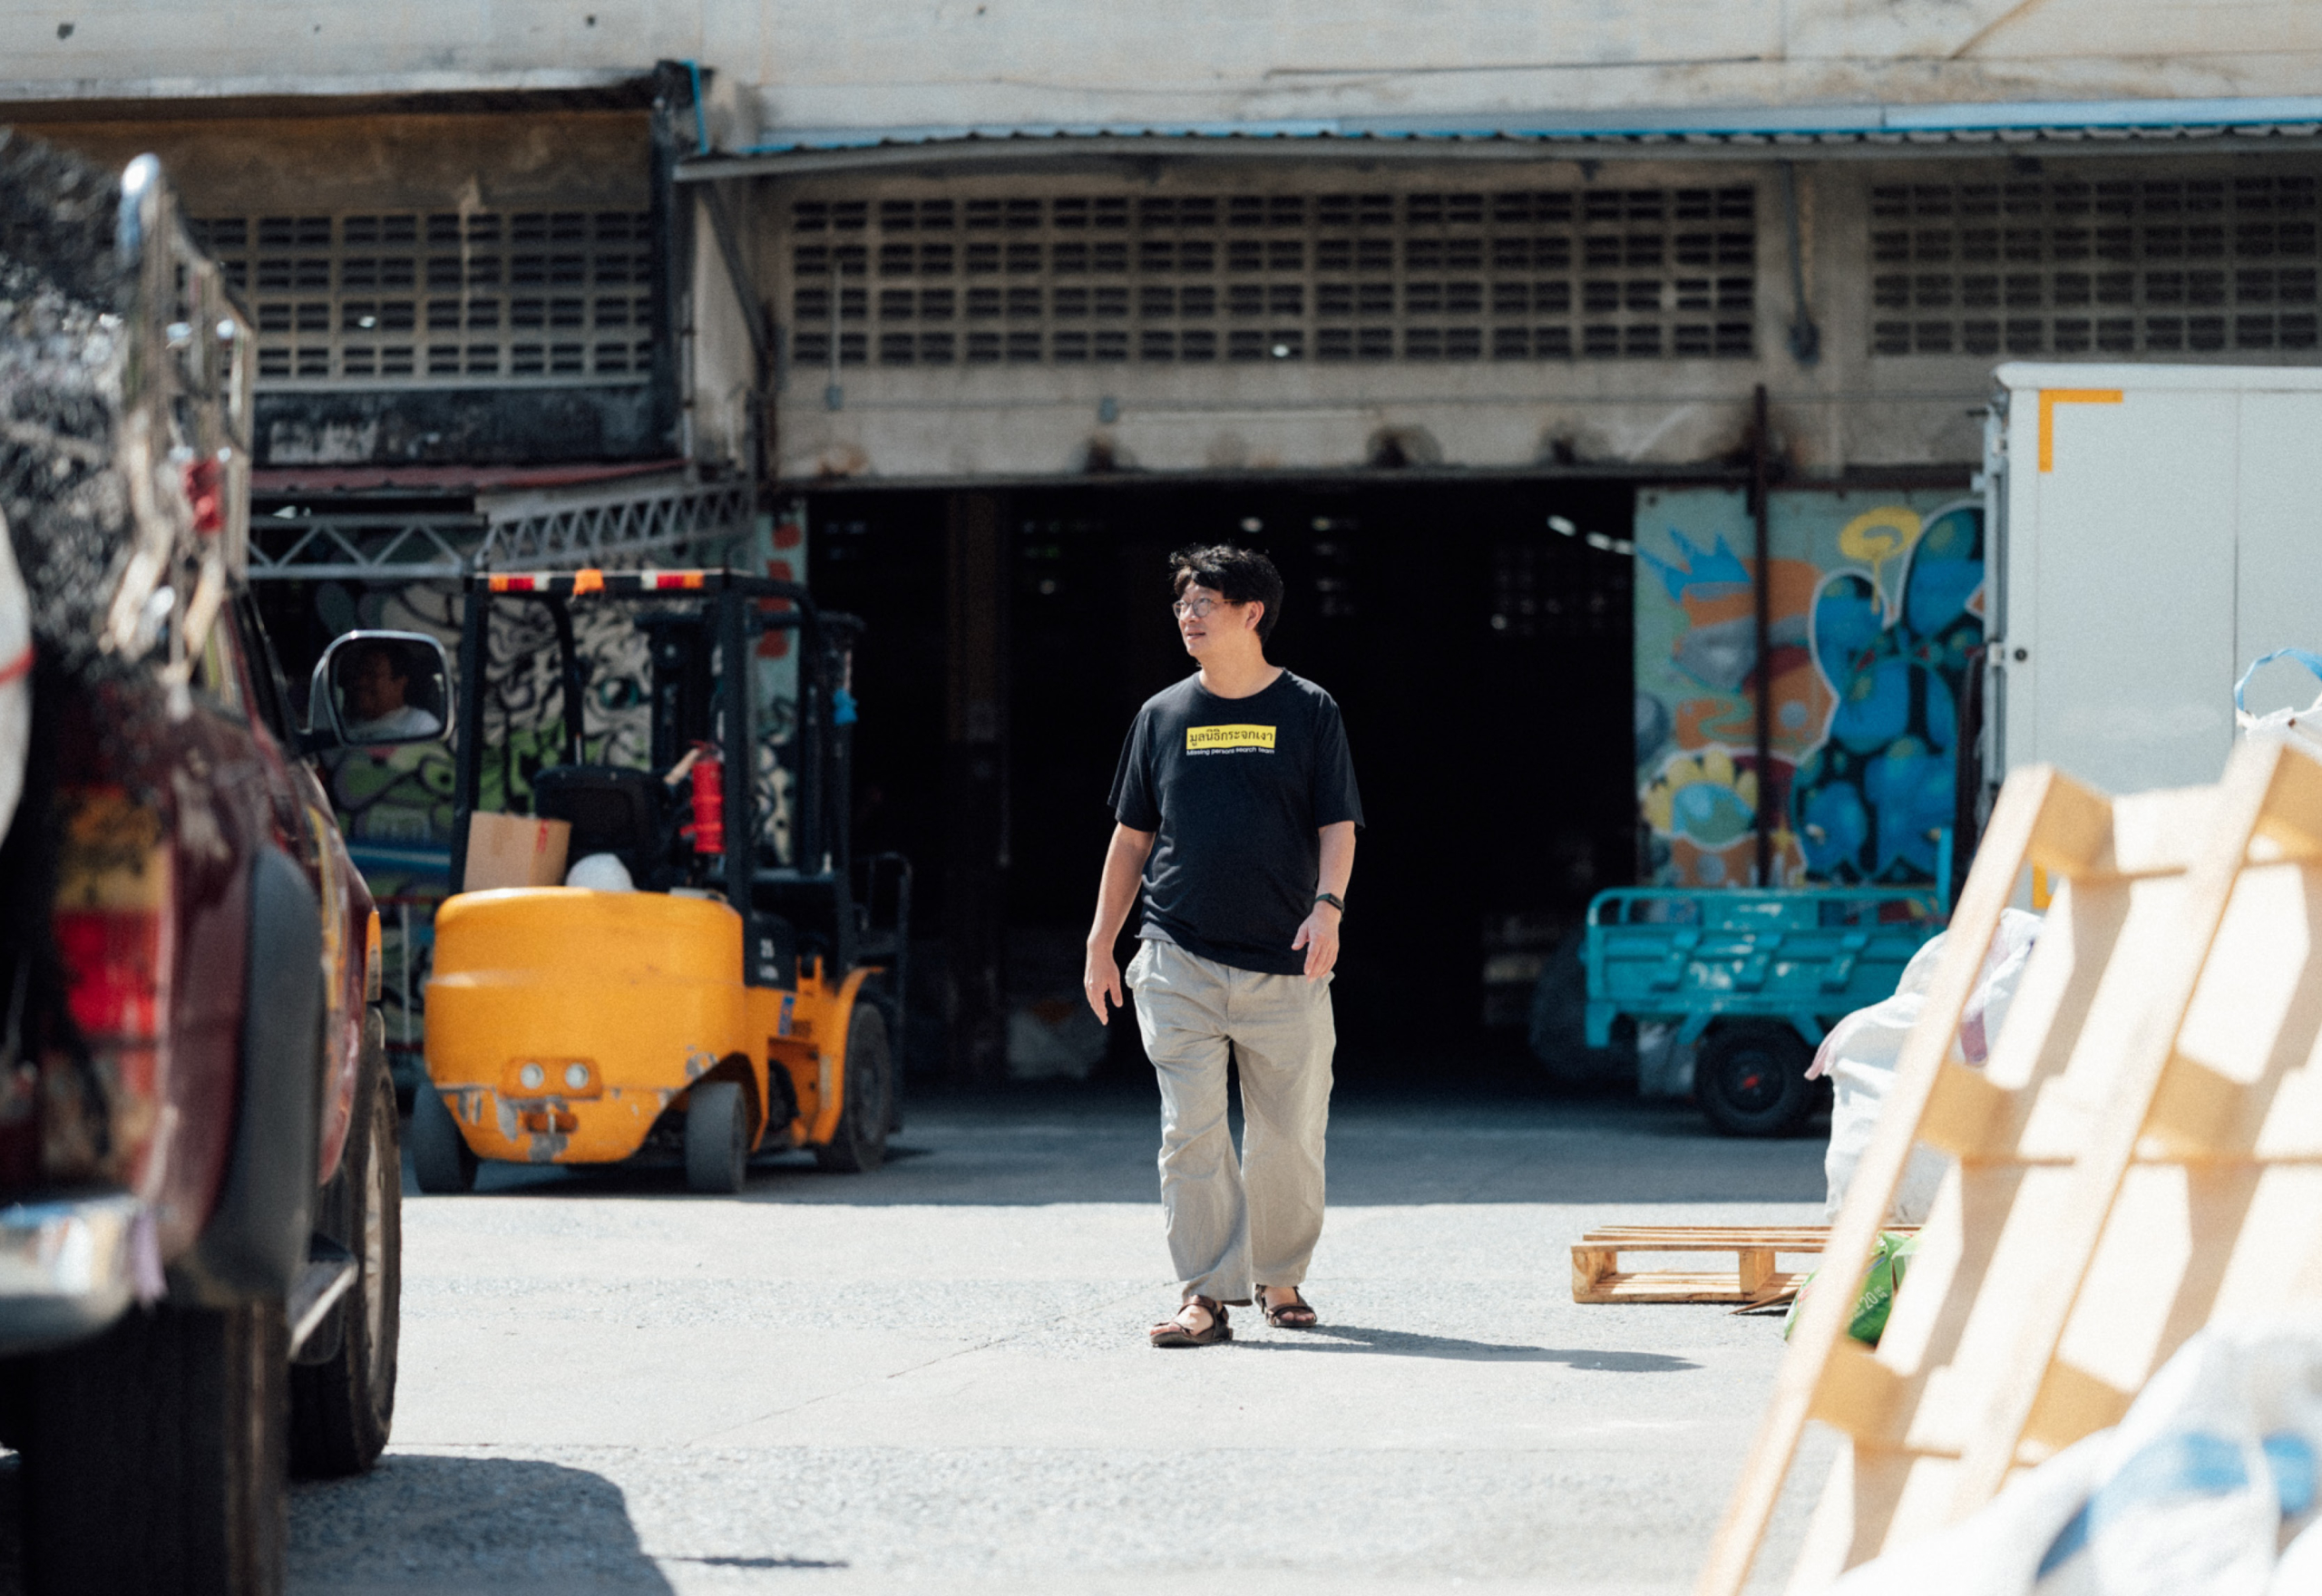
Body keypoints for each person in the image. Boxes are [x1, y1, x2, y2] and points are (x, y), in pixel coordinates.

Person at [1083, 543, 1362, 1348]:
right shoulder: (1162, 715)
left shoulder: (1309, 710)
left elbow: (1337, 823)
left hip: (1287, 962)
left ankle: (1279, 1276)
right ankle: (1204, 1295)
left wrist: (1329, 908)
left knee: (1288, 1136)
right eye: (1181, 604)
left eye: (1204, 603)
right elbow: (1132, 838)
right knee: (1191, 1133)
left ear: (1252, 613)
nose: (1187, 616)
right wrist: (1103, 942)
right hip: (1178, 956)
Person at [339, 640, 442, 743]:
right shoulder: (342, 723)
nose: (361, 682)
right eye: (360, 673)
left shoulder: (421, 726)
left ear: (399, 684)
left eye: (372, 674)